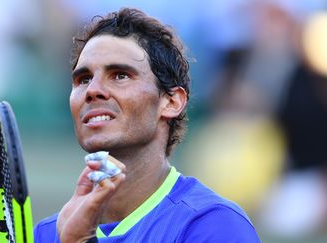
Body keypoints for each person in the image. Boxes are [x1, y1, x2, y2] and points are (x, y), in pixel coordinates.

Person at [34, 7, 260, 242]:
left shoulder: (215, 225)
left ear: (171, 102)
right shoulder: (45, 234)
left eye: (120, 75)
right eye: (84, 79)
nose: (92, 91)